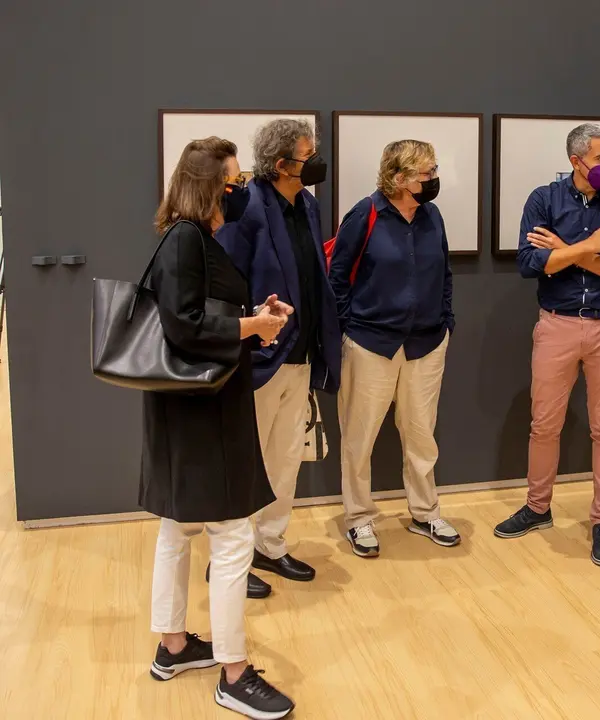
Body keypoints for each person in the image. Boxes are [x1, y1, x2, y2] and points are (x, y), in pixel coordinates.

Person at [143, 137, 296, 718]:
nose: (240, 192)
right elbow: (184, 325)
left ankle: (174, 646)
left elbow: (196, 311)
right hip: (202, 412)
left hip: (189, 409)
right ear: (211, 186)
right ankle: (234, 674)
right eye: (233, 183)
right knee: (232, 537)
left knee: (177, 528)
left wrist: (253, 318)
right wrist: (249, 327)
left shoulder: (189, 238)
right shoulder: (186, 239)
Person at [494, 123, 600, 567]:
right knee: (544, 424)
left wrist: (566, 250)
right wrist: (592, 246)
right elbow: (529, 264)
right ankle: (538, 508)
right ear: (576, 160)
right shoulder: (543, 199)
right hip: (556, 324)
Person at [216, 119, 341, 597]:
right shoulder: (246, 205)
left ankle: (270, 543)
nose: (314, 163)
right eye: (307, 156)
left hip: (302, 351)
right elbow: (228, 279)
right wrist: (251, 331)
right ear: (280, 163)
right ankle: (232, 556)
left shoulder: (307, 204)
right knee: (249, 459)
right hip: (262, 353)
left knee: (286, 456)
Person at [330, 139, 459, 557]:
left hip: (426, 342)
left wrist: (446, 322)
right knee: (359, 436)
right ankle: (359, 518)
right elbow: (337, 278)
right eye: (427, 172)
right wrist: (350, 327)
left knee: (422, 434)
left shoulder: (432, 216)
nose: (434, 179)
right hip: (370, 343)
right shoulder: (364, 215)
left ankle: (425, 512)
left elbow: (445, 273)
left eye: (434, 169)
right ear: (399, 178)